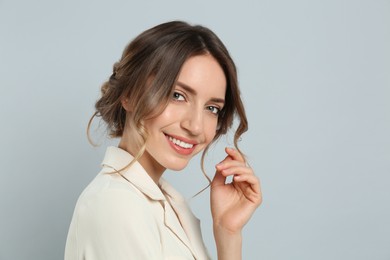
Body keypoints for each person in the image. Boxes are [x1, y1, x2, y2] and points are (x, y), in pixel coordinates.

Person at [65, 21, 262, 260]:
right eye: (177, 95)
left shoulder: (165, 201)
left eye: (212, 107)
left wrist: (228, 233)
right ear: (128, 94)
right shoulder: (116, 205)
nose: (196, 126)